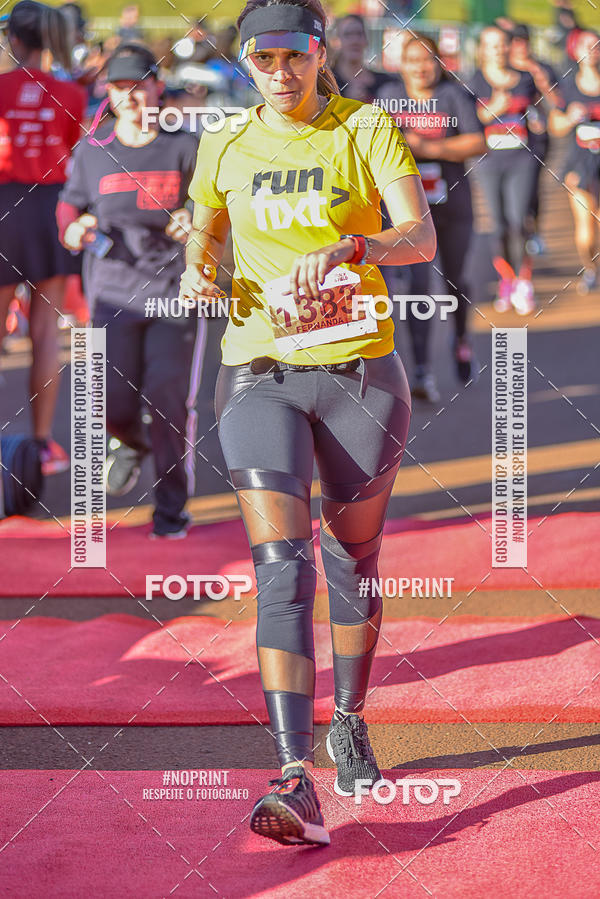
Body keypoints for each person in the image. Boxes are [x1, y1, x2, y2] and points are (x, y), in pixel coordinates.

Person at [182, 0, 435, 847]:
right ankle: (293, 773)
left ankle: (351, 719)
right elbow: (204, 235)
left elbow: (421, 236)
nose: (281, 72)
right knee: (281, 568)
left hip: (361, 374)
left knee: (352, 558)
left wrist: (357, 248)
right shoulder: (224, 140)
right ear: (245, 62)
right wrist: (198, 273)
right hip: (258, 372)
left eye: (295, 55)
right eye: (263, 58)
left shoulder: (364, 128)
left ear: (321, 54)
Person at [58, 43, 204, 538]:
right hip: (112, 296)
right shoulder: (93, 151)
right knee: (110, 403)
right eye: (121, 88)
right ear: (110, 93)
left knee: (167, 398)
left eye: (140, 86)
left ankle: (171, 508)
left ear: (157, 89)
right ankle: (132, 442)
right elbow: (69, 203)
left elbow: (212, 208)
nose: (132, 97)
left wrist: (194, 220)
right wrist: (72, 228)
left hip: (171, 293)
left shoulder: (185, 146)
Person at [0, 0, 85, 475]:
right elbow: (72, 150)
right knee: (46, 334)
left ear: (14, 39)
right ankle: (41, 444)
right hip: (49, 208)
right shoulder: (69, 92)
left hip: (3, 205)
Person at [378, 33, 486, 402]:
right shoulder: (388, 96)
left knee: (455, 280)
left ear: (438, 63)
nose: (421, 67)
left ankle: (460, 338)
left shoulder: (453, 96)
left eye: (428, 60)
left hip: (453, 206)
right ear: (401, 64)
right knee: (417, 286)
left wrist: (428, 148)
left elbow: (477, 142)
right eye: (414, 60)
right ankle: (422, 371)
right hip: (408, 211)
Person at [470, 26, 539, 314]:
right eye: (491, 44)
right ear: (483, 49)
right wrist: (489, 111)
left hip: (520, 159)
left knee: (518, 221)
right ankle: (506, 280)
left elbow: (536, 111)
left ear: (509, 47)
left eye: (502, 44)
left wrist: (536, 120)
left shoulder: (525, 79)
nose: (497, 49)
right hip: (489, 161)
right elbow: (469, 121)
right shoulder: (474, 81)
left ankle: (524, 282)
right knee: (497, 226)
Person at [549, 29, 600, 294]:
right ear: (576, 52)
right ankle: (590, 270)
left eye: (597, 45)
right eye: (587, 46)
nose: (593, 50)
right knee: (587, 229)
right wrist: (569, 117)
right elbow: (554, 125)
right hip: (579, 164)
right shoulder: (568, 88)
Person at [508, 22, 561, 256]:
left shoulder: (542, 67)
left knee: (532, 186)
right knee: (513, 187)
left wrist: (540, 79)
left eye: (524, 41)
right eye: (516, 41)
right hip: (510, 139)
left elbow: (558, 100)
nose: (520, 47)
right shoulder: (506, 69)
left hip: (537, 137)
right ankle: (516, 230)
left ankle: (533, 231)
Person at [331, 14, 400, 102]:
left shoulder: (385, 82)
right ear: (335, 42)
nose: (355, 41)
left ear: (367, 40)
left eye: (359, 34)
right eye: (347, 34)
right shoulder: (326, 83)